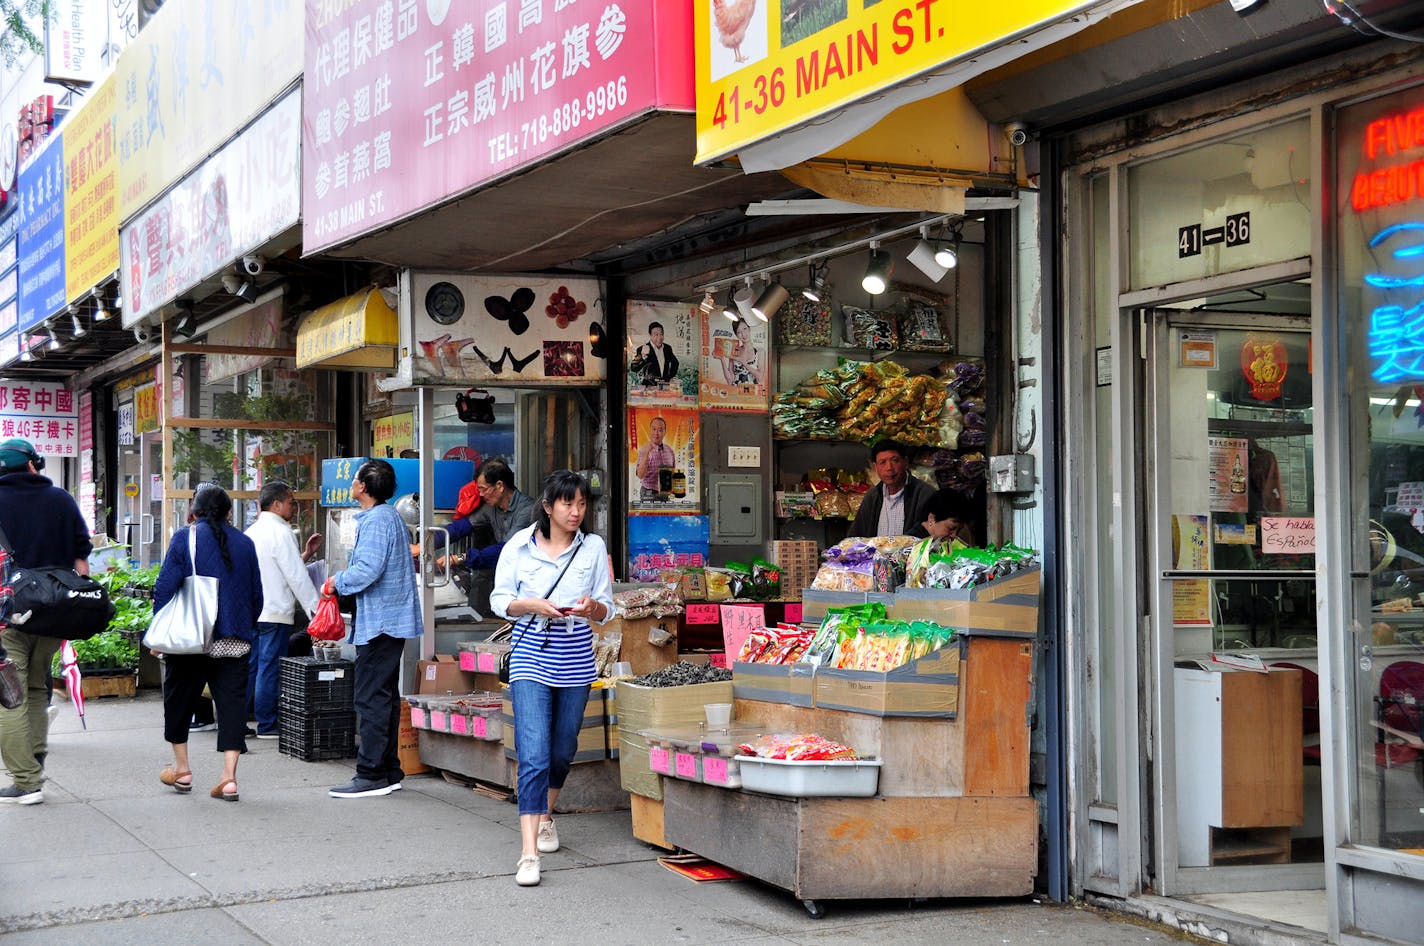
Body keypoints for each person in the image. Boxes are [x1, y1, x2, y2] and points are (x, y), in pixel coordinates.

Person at [490, 470, 614, 887]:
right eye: (568, 504)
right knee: (535, 752)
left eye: (582, 504)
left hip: (577, 659)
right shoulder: (518, 547)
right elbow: (500, 600)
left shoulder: (593, 547)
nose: (576, 512)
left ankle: (546, 816)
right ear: (547, 506)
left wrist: (591, 607)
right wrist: (531, 605)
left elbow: (607, 609)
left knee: (563, 750)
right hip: (530, 658)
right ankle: (527, 854)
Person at [154, 483, 263, 802]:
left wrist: (162, 632)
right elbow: (256, 596)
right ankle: (229, 779)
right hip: (233, 640)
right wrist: (242, 625)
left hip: (189, 639)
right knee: (231, 706)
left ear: (194, 511)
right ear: (230, 512)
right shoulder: (245, 543)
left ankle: (182, 769)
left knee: (179, 699)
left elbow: (164, 589)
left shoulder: (184, 538)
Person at [0, 438, 92, 805]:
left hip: (8, 615)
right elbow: (82, 562)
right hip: (54, 613)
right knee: (37, 687)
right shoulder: (61, 500)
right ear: (34, 465)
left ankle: (25, 780)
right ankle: (35, 757)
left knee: (8, 696)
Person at [326, 459, 422, 799]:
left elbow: (367, 569)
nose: (353, 483)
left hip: (382, 621)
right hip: (386, 620)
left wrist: (336, 581)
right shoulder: (385, 517)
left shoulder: (379, 520)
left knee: (369, 697)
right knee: (383, 696)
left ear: (363, 488)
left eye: (355, 479)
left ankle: (370, 774)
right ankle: (388, 770)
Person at [244, 481, 322, 739]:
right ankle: (267, 724)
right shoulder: (282, 532)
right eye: (291, 501)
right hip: (275, 612)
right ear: (276, 504)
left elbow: (277, 569)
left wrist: (305, 554)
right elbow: (296, 577)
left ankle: (239, 720)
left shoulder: (251, 532)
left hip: (253, 611)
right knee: (270, 668)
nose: (293, 506)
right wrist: (316, 610)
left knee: (252, 666)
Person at [849, 440, 937, 538]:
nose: (889, 468)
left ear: (905, 462)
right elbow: (855, 537)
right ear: (876, 467)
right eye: (882, 462)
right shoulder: (872, 497)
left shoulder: (925, 495)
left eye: (895, 460)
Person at [634, 416, 675, 502]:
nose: (656, 433)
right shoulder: (644, 450)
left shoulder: (670, 450)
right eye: (654, 429)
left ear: (664, 432)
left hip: (666, 494)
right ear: (650, 430)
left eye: (660, 430)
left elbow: (673, 473)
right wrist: (646, 454)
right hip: (649, 494)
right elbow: (640, 475)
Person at [628, 321, 680, 386]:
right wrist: (643, 356)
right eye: (656, 334)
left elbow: (675, 363)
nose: (659, 337)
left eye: (661, 334)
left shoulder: (667, 348)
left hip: (664, 386)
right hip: (648, 387)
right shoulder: (642, 349)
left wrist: (669, 377)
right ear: (650, 335)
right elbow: (634, 368)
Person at [718, 318, 763, 387]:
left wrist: (743, 362)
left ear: (749, 329)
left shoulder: (760, 351)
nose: (743, 334)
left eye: (745, 329)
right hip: (736, 393)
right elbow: (730, 380)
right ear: (736, 335)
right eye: (739, 332)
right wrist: (722, 359)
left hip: (753, 393)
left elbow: (760, 378)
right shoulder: (734, 350)